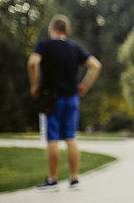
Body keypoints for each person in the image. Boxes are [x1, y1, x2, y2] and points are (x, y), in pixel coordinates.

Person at [27, 15, 102, 191]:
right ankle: (74, 178)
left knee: (52, 139)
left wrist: (34, 85)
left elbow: (32, 63)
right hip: (72, 98)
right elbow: (96, 65)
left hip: (51, 98)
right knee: (71, 137)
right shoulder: (74, 48)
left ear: (51, 28)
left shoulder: (44, 45)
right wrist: (84, 86)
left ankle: (52, 180)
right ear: (66, 31)